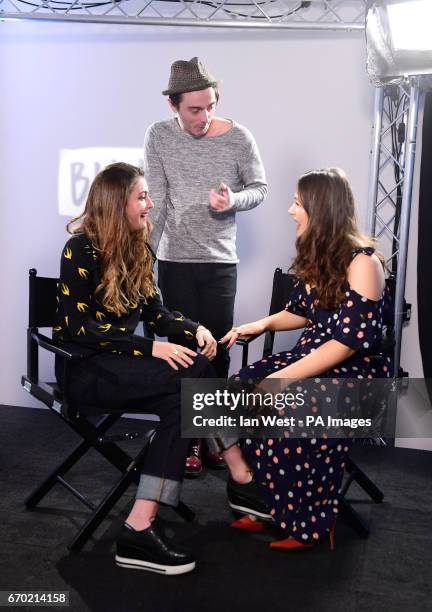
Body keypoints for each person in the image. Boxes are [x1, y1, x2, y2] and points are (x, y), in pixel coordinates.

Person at [53, 162, 219, 575]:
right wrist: (151, 349)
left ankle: (139, 524)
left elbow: (157, 314)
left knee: (187, 397)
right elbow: (80, 328)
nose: (150, 204)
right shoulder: (80, 249)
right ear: (117, 202)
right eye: (142, 196)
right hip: (84, 369)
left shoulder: (140, 247)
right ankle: (237, 468)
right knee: (193, 378)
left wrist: (192, 328)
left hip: (121, 367)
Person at [219, 168, 393, 550]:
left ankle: (310, 524)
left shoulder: (363, 263)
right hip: (313, 356)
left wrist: (282, 380)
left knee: (287, 406)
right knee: (235, 392)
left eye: (297, 203)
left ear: (321, 208)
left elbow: (345, 344)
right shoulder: (317, 252)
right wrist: (261, 324)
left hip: (355, 372)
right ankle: (264, 501)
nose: (290, 209)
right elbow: (301, 311)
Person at [144, 56, 268, 474]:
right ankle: (191, 443)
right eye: (195, 109)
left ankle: (218, 438)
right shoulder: (158, 136)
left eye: (211, 106)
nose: (204, 116)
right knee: (183, 354)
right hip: (174, 262)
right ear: (173, 106)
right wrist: (145, 258)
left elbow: (259, 189)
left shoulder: (239, 138)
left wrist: (233, 200)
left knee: (216, 353)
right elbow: (155, 203)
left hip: (218, 265)